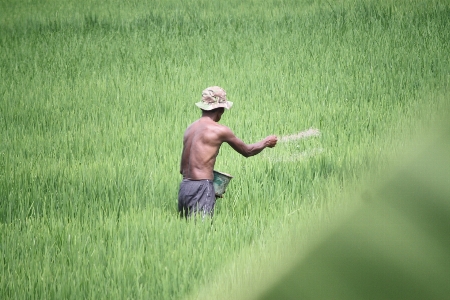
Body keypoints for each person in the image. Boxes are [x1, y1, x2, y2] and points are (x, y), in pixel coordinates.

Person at [178, 86, 278, 219]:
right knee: (202, 231)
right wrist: (266, 142)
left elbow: (183, 169)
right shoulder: (219, 130)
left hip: (184, 187)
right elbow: (247, 151)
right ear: (220, 110)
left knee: (187, 231)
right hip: (201, 187)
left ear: (203, 107)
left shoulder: (190, 128)